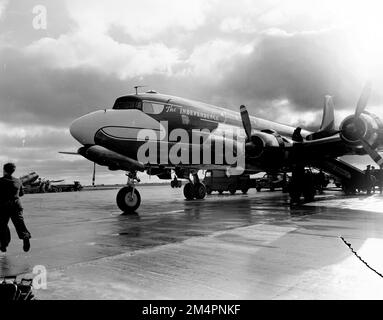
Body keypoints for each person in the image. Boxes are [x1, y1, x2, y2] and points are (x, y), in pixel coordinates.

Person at [0, 163, 31, 252]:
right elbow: (21, 194)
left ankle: (4, 244)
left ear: (4, 170)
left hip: (3, 207)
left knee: (2, 226)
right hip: (16, 205)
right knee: (20, 224)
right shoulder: (18, 181)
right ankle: (25, 237)